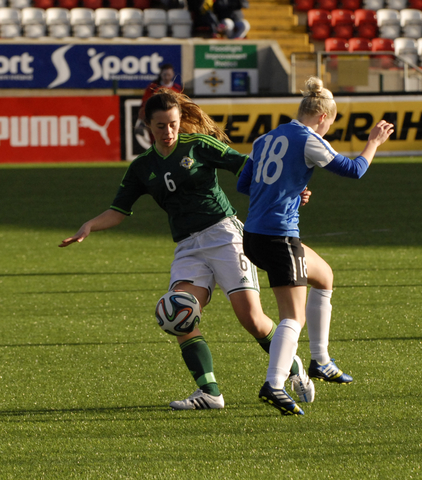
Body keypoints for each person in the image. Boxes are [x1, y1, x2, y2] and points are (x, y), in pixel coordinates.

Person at [59, 89, 314, 411]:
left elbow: (251, 169)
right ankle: (210, 393)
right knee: (176, 314)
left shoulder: (198, 146)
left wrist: (291, 191)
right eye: (161, 126)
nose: (168, 132)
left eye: (173, 124)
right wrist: (90, 226)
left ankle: (293, 369)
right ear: (147, 127)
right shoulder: (142, 167)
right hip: (187, 246)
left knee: (252, 319)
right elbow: (118, 210)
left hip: (224, 235)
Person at [237, 76, 394, 416]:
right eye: (330, 124)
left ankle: (320, 360)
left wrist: (289, 191)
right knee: (292, 316)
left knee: (324, 276)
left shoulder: (265, 138)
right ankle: (274, 385)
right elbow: (354, 170)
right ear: (323, 116)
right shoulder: (308, 138)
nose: (327, 131)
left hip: (254, 235)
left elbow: (244, 183)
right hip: (279, 237)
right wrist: (374, 142)